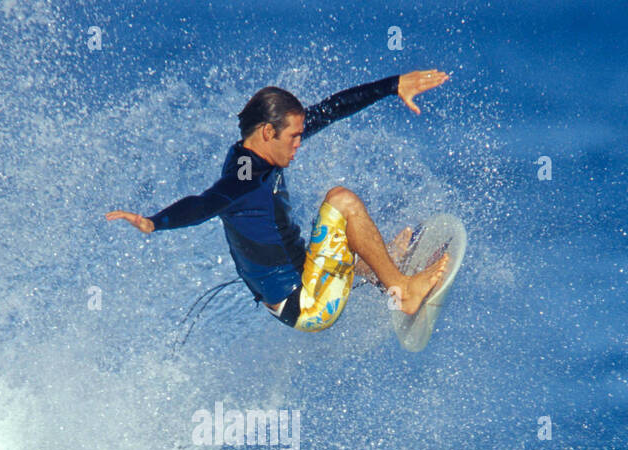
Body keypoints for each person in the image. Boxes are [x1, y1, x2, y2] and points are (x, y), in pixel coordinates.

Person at [106, 70, 451, 332]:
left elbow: (331, 109)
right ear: (268, 133)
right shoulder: (244, 179)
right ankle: (402, 290)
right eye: (294, 137)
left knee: (333, 218)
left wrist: (392, 86)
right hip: (307, 304)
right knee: (341, 201)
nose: (299, 143)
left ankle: (381, 269)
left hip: (296, 283)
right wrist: (155, 221)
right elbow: (204, 203)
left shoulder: (248, 153)